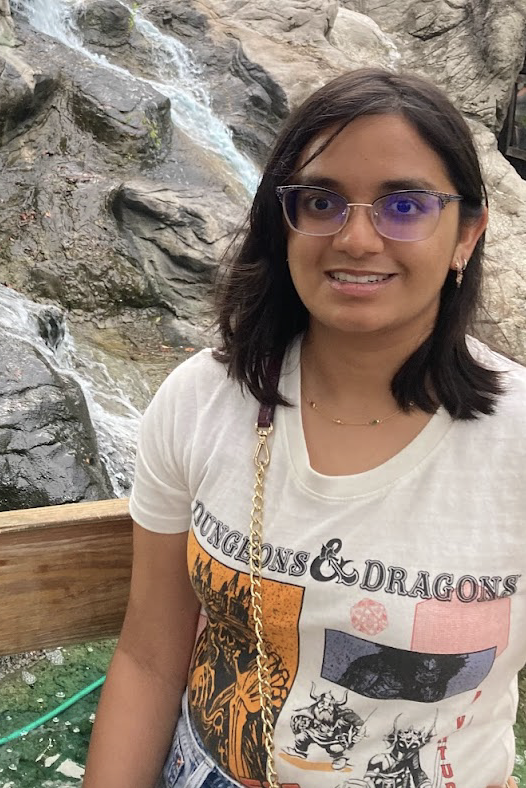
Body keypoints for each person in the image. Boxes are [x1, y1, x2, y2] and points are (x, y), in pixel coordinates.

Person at [83, 68, 525, 788]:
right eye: (321, 200)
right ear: (281, 221)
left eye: (404, 205)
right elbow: (148, 658)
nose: (355, 238)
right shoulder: (200, 400)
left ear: (466, 236)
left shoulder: (518, 440)